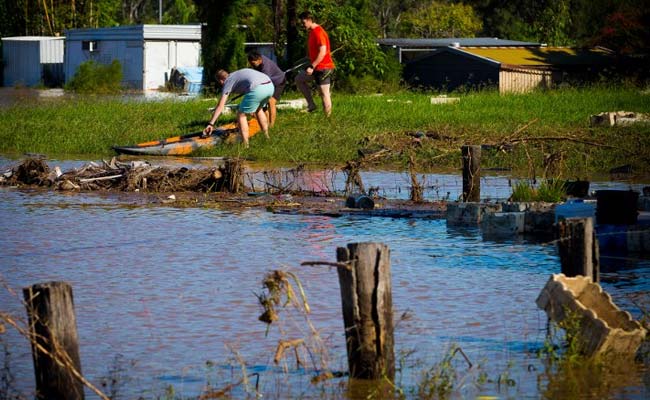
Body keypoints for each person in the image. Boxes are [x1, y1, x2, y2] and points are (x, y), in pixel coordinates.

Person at [203, 68, 274, 148]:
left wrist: (210, 124)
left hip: (258, 88)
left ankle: (245, 145)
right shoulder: (236, 75)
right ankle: (266, 137)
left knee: (241, 115)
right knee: (258, 110)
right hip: (270, 86)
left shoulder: (228, 81)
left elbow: (220, 106)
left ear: (221, 81)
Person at [295, 11, 335, 116]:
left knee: (324, 94)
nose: (302, 25)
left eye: (303, 23)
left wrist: (312, 66)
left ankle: (328, 119)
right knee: (299, 79)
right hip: (316, 67)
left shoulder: (319, 32)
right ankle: (311, 105)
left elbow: (323, 52)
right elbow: (314, 53)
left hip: (324, 68)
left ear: (309, 20)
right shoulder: (312, 32)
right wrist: (305, 62)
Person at [247, 51, 286, 128]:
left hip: (278, 82)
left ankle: (272, 125)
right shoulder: (257, 62)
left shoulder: (266, 67)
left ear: (259, 59)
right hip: (269, 82)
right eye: (251, 64)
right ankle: (266, 123)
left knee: (271, 101)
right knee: (263, 101)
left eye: (253, 64)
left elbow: (263, 82)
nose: (252, 65)